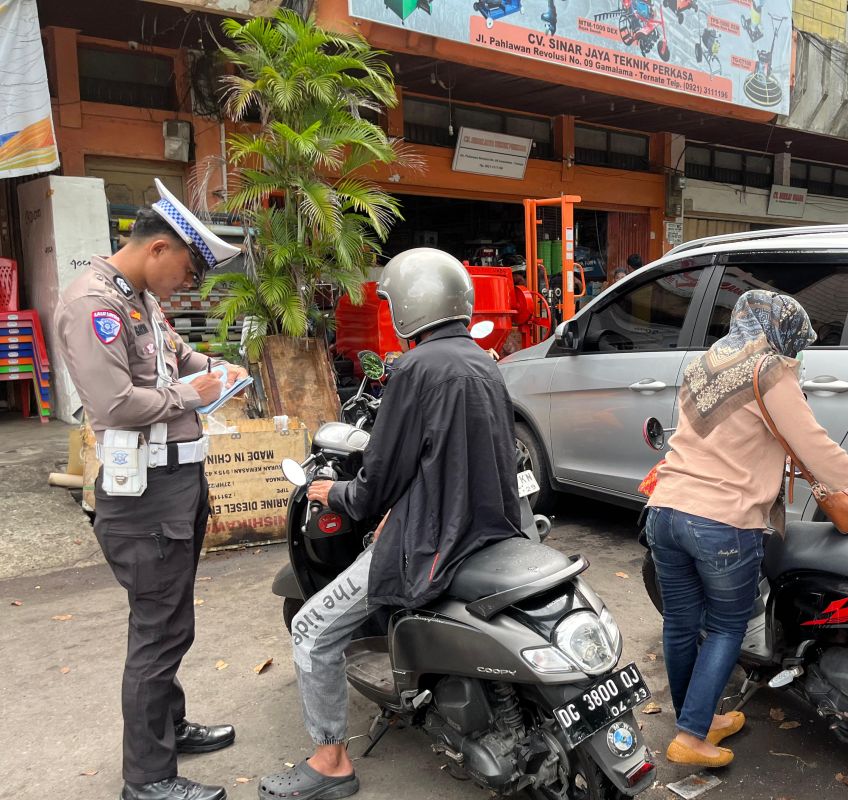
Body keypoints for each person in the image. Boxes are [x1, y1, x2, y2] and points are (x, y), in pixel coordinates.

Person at [258, 248, 522, 800]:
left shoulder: (415, 369)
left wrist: (338, 495)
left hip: (431, 541)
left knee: (310, 631)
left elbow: (379, 477)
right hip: (487, 529)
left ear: (407, 307)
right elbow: (448, 460)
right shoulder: (483, 361)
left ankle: (329, 760)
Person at [643, 289, 848, 768]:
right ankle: (692, 736)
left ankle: (697, 719)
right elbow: (817, 448)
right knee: (727, 625)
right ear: (782, 331)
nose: (797, 351)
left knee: (681, 622)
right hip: (721, 521)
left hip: (665, 510)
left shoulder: (706, 363)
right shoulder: (769, 368)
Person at [56, 180, 247, 800]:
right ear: (158, 248)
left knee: (171, 623)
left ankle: (170, 725)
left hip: (175, 483)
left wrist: (213, 369)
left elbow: (175, 354)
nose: (186, 284)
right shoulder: (94, 304)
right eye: (186, 269)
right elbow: (113, 403)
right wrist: (190, 394)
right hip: (142, 497)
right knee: (157, 632)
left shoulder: (137, 298)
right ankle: (148, 779)